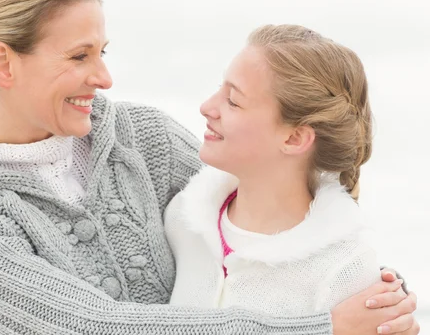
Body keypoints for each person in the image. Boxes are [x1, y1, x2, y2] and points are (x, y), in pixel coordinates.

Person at [0, 0, 419, 335]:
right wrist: (321, 328)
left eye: (102, 52)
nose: (103, 77)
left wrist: (365, 286)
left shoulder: (144, 139)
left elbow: (269, 197)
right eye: (79, 56)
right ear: (3, 64)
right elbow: (93, 327)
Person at [166, 24, 394, 322]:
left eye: (233, 101)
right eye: (219, 90)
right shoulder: (181, 218)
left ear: (294, 139)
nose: (207, 107)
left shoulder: (346, 269)